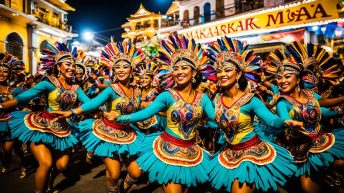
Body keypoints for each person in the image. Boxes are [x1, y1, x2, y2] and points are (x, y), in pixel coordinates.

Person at [105, 34, 217, 193]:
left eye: (184, 67)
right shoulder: (167, 95)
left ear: (194, 73)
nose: (179, 72)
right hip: (168, 150)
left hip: (192, 151)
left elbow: (215, 117)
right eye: (176, 68)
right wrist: (121, 117)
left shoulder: (203, 98)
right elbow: (145, 113)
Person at [206, 36, 302, 193]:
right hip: (227, 152)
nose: (222, 74)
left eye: (228, 70)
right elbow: (210, 117)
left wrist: (285, 122)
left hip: (251, 153)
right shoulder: (216, 99)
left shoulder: (250, 99)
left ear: (238, 74)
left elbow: (270, 120)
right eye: (219, 71)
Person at [51, 41, 146, 193]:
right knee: (114, 173)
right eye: (118, 67)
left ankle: (123, 188)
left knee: (136, 172)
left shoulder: (137, 92)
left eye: (125, 66)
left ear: (132, 70)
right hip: (107, 133)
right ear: (114, 70)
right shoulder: (111, 89)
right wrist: (73, 112)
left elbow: (138, 111)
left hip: (128, 133)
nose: (121, 70)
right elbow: (93, 104)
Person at [0, 42, 90, 193]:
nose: (72, 68)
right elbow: (22, 98)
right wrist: (2, 106)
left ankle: (50, 181)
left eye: (74, 65)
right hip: (41, 127)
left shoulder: (76, 88)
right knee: (46, 163)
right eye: (68, 64)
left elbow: (90, 103)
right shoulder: (49, 83)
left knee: (61, 166)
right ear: (58, 66)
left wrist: (105, 107)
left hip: (64, 129)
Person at [265, 41, 344, 193]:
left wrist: (339, 109)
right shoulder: (283, 101)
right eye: (279, 78)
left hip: (322, 141)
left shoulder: (309, 94)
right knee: (308, 189)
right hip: (300, 151)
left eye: (287, 76)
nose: (282, 81)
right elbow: (283, 118)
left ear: (298, 78)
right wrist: (289, 123)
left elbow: (320, 109)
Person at [0, 53, 28, 178]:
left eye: (5, 71)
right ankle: (6, 163)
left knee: (9, 149)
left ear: (10, 73)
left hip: (11, 122)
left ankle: (23, 165)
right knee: (8, 150)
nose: (1, 74)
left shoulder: (15, 90)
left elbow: (23, 104)